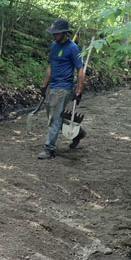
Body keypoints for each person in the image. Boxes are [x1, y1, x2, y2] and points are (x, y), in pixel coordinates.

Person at [37, 18, 86, 160]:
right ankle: (78, 133)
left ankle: (49, 148)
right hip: (52, 86)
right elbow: (50, 67)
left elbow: (80, 69)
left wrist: (79, 90)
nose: (54, 36)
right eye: (53, 33)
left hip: (63, 87)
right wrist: (44, 85)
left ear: (64, 33)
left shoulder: (72, 48)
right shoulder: (53, 46)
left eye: (57, 33)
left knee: (54, 118)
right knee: (53, 117)